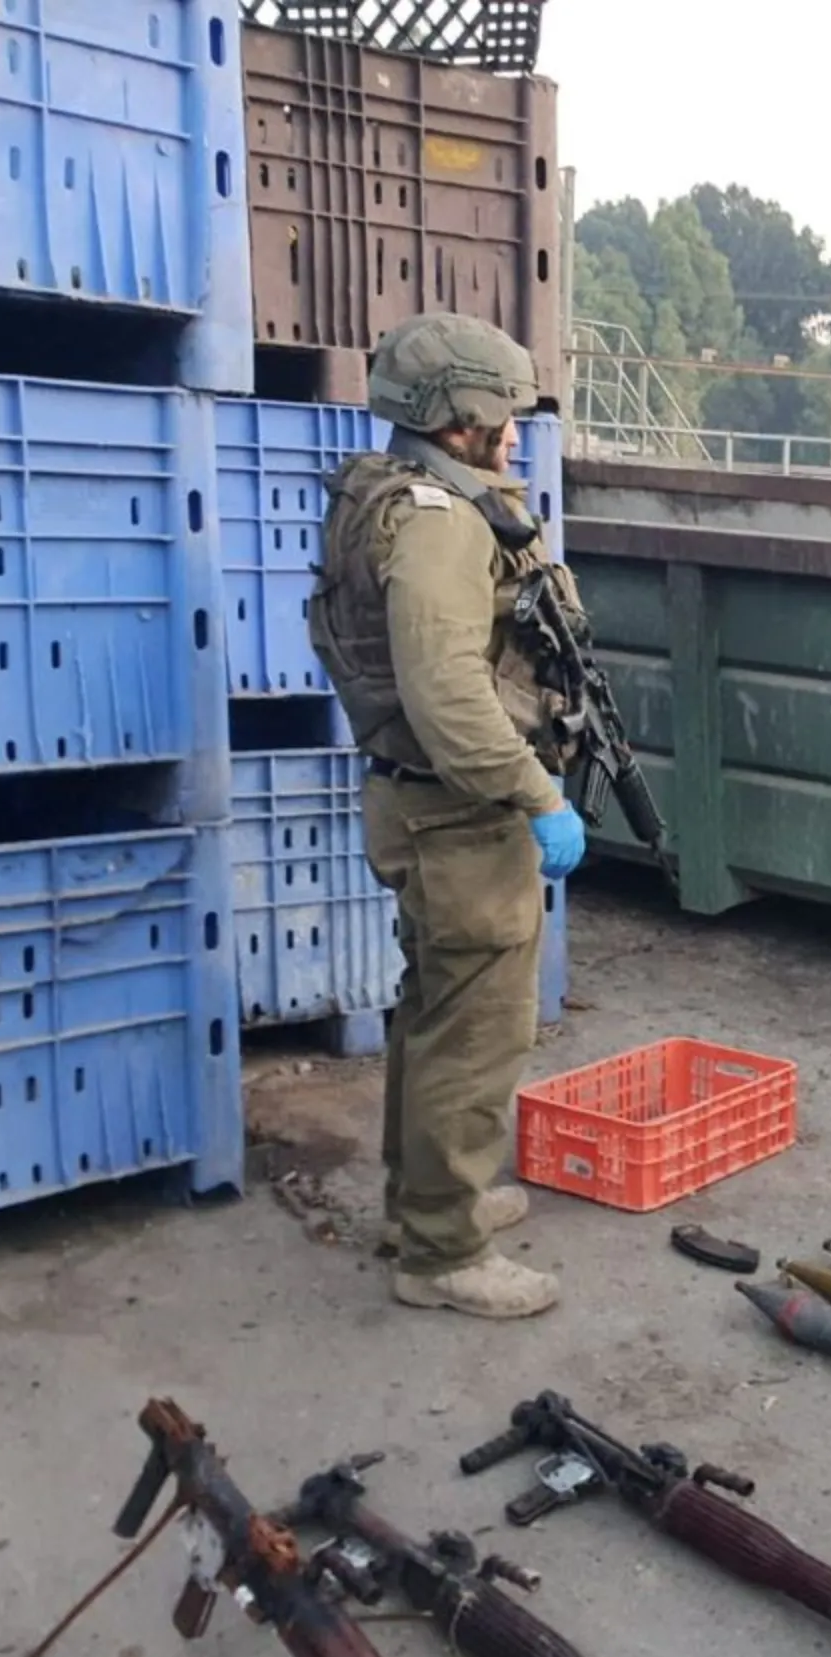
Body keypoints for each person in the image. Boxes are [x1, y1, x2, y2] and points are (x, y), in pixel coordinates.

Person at [307, 312, 590, 1321]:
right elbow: (449, 695)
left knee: (435, 1013)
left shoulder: (397, 494)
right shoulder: (437, 523)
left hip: (426, 806)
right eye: (501, 410)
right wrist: (541, 795)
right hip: (457, 814)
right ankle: (442, 1254)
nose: (514, 429)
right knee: (475, 1030)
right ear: (457, 413)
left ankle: (422, 1203)